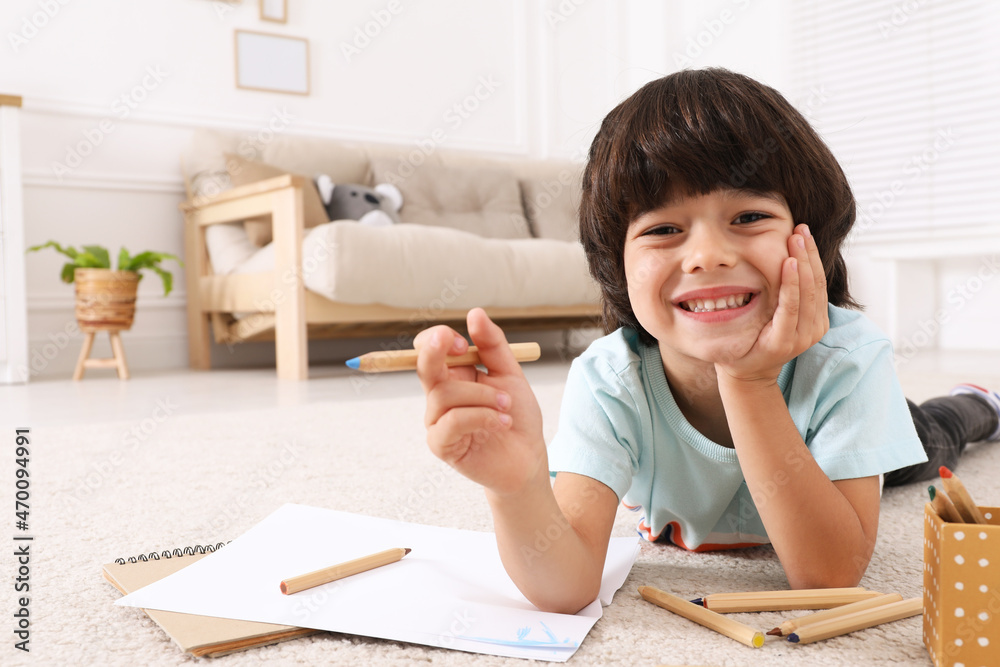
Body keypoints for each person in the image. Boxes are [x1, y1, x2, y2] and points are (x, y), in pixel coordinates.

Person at [413, 68, 1000, 614]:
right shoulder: (610, 379)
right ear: (617, 266)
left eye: (748, 217)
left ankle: (977, 404)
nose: (708, 256)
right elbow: (566, 588)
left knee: (935, 437)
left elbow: (829, 578)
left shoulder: (849, 359)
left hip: (847, 448)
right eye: (664, 229)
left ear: (810, 242)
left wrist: (748, 379)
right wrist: (516, 487)